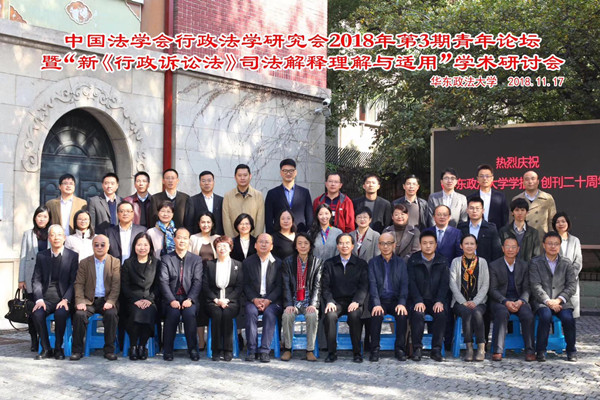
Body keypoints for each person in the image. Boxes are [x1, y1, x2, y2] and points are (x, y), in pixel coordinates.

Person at [30, 225, 78, 360]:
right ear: (49, 238)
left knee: (61, 314)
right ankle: (46, 348)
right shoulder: (42, 255)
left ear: (64, 238)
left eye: (59, 235)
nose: (56, 238)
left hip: (63, 298)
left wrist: (66, 299)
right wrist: (39, 299)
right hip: (45, 298)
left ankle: (58, 347)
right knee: (37, 314)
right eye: (52, 235)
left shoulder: (72, 256)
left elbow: (74, 281)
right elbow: (36, 280)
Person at [70, 234, 121, 361]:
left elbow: (116, 285)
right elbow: (79, 284)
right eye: (96, 245)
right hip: (89, 301)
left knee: (111, 314)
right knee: (79, 315)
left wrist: (111, 301)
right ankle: (77, 350)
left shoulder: (114, 262)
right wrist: (80, 301)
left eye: (103, 245)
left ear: (108, 247)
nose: (99, 247)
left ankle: (109, 350)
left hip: (106, 300)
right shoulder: (84, 263)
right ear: (92, 246)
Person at [529, 231, 577, 362]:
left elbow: (571, 285)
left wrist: (559, 300)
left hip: (562, 302)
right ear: (544, 245)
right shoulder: (535, 262)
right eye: (550, 243)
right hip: (542, 301)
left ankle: (571, 350)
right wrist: (548, 301)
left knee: (568, 318)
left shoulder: (566, 263)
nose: (553, 246)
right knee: (545, 316)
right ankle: (540, 351)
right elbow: (535, 285)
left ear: (560, 245)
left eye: (556, 244)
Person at [321, 233, 368, 363]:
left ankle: (357, 352)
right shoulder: (329, 264)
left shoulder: (361, 264)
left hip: (354, 301)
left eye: (347, 243)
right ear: (337, 246)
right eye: (341, 243)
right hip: (336, 302)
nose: (344, 246)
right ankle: (331, 352)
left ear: (352, 246)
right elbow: (325, 286)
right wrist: (329, 301)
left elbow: (364, 286)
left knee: (354, 316)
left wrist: (357, 301)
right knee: (330, 316)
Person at [159, 228, 203, 361]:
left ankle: (193, 349)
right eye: (179, 237)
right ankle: (168, 350)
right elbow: (163, 281)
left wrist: (190, 299)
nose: (182, 241)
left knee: (189, 314)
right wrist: (171, 300)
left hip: (189, 298)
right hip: (171, 298)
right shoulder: (166, 259)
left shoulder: (196, 259)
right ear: (174, 239)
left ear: (189, 240)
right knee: (172, 314)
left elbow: (197, 281)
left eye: (185, 238)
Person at [488, 237, 535, 361]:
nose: (510, 249)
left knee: (528, 315)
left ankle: (530, 350)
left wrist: (521, 301)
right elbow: (492, 289)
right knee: (502, 313)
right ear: (503, 248)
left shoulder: (524, 265)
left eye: (513, 247)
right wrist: (505, 301)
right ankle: (498, 350)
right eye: (507, 246)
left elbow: (527, 288)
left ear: (518, 249)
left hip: (519, 300)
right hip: (501, 301)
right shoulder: (494, 265)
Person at [406, 231, 449, 362]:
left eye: (431, 243)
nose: (428, 246)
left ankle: (436, 349)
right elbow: (411, 282)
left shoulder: (442, 260)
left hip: (436, 300)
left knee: (440, 314)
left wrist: (440, 301)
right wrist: (418, 300)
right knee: (417, 314)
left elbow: (444, 284)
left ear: (436, 245)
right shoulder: (413, 260)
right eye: (424, 243)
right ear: (420, 244)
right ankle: (417, 348)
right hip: (418, 299)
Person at [280, 232, 323, 362]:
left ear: (310, 246)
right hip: (294, 301)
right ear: (295, 246)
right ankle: (288, 349)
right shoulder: (288, 262)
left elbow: (317, 285)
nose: (303, 246)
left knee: (312, 315)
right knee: (287, 316)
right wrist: (288, 304)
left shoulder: (317, 262)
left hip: (308, 301)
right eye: (300, 243)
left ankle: (310, 350)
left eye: (306, 243)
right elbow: (285, 285)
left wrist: (313, 304)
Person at [367, 232, 409, 362]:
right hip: (380, 300)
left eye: (389, 243)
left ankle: (400, 349)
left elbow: (404, 284)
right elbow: (372, 285)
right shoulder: (373, 262)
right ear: (378, 245)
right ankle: (375, 349)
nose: (385, 246)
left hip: (396, 300)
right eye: (382, 244)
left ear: (394, 245)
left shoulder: (401, 263)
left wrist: (402, 303)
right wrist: (376, 304)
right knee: (376, 314)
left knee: (402, 315)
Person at [243, 233, 283, 363]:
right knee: (250, 312)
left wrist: (268, 300)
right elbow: (245, 284)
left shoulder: (278, 263)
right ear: (255, 245)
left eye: (267, 242)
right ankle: (252, 350)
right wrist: (254, 299)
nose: (264, 244)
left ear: (272, 246)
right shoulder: (248, 262)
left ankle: (265, 350)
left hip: (272, 301)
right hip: (253, 299)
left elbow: (280, 286)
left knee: (269, 314)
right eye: (261, 242)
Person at [449, 234, 490, 362]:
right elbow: (452, 283)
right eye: (466, 243)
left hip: (479, 301)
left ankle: (481, 347)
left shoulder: (482, 262)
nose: (469, 246)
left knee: (477, 312)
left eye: (472, 243)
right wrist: (463, 301)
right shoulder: (456, 262)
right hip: (460, 302)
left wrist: (476, 301)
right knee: (467, 312)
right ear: (461, 246)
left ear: (476, 246)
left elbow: (485, 284)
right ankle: (469, 347)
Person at [203, 236, 243, 361]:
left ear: (230, 248)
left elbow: (239, 287)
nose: (222, 249)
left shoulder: (238, 265)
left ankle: (228, 350)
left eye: (225, 246)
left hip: (231, 301)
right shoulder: (209, 264)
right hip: (213, 300)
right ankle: (216, 350)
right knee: (216, 314)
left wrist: (227, 300)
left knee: (227, 314)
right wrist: (216, 300)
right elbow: (205, 285)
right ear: (215, 249)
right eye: (219, 246)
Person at [121, 232, 160, 361]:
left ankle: (142, 345)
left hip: (150, 300)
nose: (142, 248)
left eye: (145, 245)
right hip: (132, 301)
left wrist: (149, 300)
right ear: (134, 246)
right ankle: (133, 346)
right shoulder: (128, 263)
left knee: (148, 312)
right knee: (136, 312)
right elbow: (124, 286)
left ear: (150, 247)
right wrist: (135, 300)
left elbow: (158, 286)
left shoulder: (156, 263)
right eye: (139, 244)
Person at [19, 206, 50, 352]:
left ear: (49, 218)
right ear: (35, 218)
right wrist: (21, 279)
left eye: (45, 216)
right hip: (30, 276)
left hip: (47, 277)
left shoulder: (52, 233)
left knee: (43, 309)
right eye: (39, 216)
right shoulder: (28, 234)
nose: (42, 219)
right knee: (31, 310)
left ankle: (45, 338)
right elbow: (23, 256)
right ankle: (34, 339)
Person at [189, 211, 221, 353]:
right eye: (203, 222)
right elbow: (189, 259)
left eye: (208, 222)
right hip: (197, 278)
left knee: (213, 308)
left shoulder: (218, 238)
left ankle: (214, 340)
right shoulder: (193, 238)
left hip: (214, 279)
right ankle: (201, 340)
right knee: (200, 310)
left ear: (213, 223)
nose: (205, 225)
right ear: (198, 223)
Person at [265, 159, 313, 234]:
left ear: (295, 172)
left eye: (291, 171)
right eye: (285, 171)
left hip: (300, 235)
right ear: (281, 173)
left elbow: (309, 218)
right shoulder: (272, 193)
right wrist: (271, 237)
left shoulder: (304, 193)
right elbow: (268, 220)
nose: (288, 173)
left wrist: (307, 235)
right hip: (279, 236)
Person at [511, 170, 557, 243]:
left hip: (542, 239)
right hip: (522, 239)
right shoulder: (516, 199)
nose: (530, 182)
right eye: (527, 179)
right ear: (523, 182)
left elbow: (552, 221)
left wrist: (552, 239)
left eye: (533, 179)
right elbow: (512, 221)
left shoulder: (547, 198)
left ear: (538, 181)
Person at [553, 212, 583, 318]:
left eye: (563, 221)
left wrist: (569, 275)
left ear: (568, 223)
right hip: (555, 281)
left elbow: (578, 261)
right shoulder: (551, 239)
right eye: (557, 222)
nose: (560, 224)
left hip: (571, 281)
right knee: (555, 312)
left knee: (570, 315)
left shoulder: (575, 240)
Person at [223, 164, 265, 238]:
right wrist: (231, 240)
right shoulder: (228, 196)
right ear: (235, 177)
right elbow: (226, 220)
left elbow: (260, 220)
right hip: (234, 240)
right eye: (239, 175)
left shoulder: (258, 195)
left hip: (253, 239)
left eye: (245, 175)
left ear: (250, 176)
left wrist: (256, 240)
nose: (242, 178)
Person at [457, 197, 502, 263]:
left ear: (483, 210)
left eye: (477, 208)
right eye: (471, 208)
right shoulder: (461, 227)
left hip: (485, 265)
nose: (474, 211)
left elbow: (497, 251)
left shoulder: (490, 228)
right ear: (467, 210)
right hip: (464, 265)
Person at [498, 198, 541, 262]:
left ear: (527, 212)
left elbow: (536, 256)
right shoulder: (504, 231)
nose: (520, 213)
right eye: (517, 210)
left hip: (528, 267)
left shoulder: (533, 232)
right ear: (512, 213)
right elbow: (500, 253)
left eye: (522, 210)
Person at [467, 164, 508, 229]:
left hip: (496, 232)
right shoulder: (470, 198)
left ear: (492, 178)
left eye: (487, 176)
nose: (485, 178)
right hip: (475, 231)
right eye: (481, 176)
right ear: (477, 179)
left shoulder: (500, 197)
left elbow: (505, 219)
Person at [190, 171, 224, 235]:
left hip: (218, 237)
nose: (206, 183)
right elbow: (189, 222)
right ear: (200, 183)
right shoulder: (192, 200)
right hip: (199, 236)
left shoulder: (221, 200)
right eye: (203, 181)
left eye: (209, 180)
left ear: (213, 182)